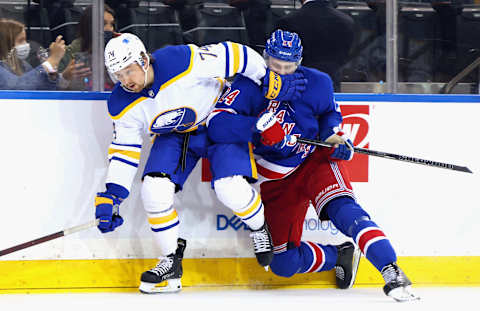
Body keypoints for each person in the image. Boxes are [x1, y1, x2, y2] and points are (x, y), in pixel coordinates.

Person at [206, 29, 419, 302]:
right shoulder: (248, 85)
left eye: (289, 66)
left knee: (345, 211)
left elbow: (329, 113)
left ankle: (392, 270)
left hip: (312, 161)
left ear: (299, 62)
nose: (281, 72)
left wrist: (334, 136)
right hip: (275, 178)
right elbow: (217, 124)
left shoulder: (318, 82)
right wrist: (256, 127)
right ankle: (339, 254)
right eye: (275, 65)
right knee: (283, 264)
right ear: (265, 57)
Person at [96, 32, 305, 294]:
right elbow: (125, 150)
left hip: (219, 120)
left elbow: (234, 55)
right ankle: (171, 259)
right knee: (153, 189)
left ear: (142, 59)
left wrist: (267, 78)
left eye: (129, 71)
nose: (125, 80)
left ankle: (259, 226)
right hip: (176, 135)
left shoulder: (179, 61)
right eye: (118, 75)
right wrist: (112, 194)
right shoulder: (120, 104)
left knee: (231, 189)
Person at [274, 0, 355, 91]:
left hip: (297, 88)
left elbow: (280, 61)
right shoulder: (346, 22)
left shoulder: (287, 22)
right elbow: (346, 55)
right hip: (331, 86)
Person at [0, 18, 74, 90]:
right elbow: (17, 88)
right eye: (20, 40)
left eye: (25, 40)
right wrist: (52, 60)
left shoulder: (22, 65)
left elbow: (40, 87)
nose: (26, 44)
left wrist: (65, 77)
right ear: (5, 43)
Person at [57, 4, 117, 90]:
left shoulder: (116, 52)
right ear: (89, 26)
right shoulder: (69, 54)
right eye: (103, 24)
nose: (109, 29)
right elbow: (53, 91)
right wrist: (65, 77)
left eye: (111, 24)